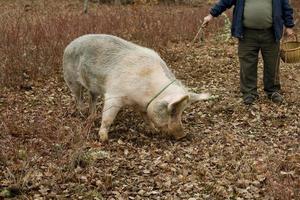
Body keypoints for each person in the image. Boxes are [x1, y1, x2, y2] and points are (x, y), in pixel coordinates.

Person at [203, 0, 295, 105]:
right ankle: (249, 93)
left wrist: (289, 25)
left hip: (271, 33)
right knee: (247, 64)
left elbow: (286, 7)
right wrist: (211, 15)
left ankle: (273, 91)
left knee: (272, 63)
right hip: (246, 33)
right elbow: (225, 1)